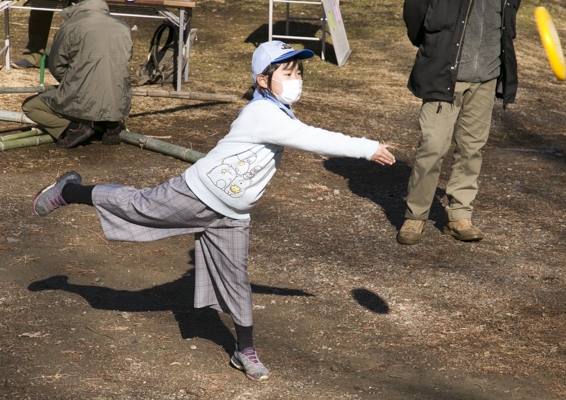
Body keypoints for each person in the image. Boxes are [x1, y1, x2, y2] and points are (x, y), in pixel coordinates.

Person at [32, 40, 396, 381]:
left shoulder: (281, 113)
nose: (296, 80)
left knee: (237, 280)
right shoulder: (262, 114)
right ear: (263, 81)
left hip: (232, 213)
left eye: (299, 73)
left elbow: (302, 134)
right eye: (287, 74)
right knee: (137, 206)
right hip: (198, 194)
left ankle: (245, 350)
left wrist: (291, 291)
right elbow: (316, 138)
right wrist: (367, 147)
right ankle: (69, 190)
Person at [397, 0, 520, 245]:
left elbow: (509, 14)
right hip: (444, 73)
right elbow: (415, 11)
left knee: (471, 148)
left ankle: (459, 215)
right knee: (433, 146)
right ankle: (416, 215)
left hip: (486, 76)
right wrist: (434, 46)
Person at [21, 0, 132, 148]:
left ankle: (75, 127)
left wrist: (73, 82)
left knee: (30, 106)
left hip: (83, 99)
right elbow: (124, 61)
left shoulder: (71, 26)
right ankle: (109, 124)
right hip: (118, 101)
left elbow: (56, 65)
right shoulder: (123, 26)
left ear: (73, 4)